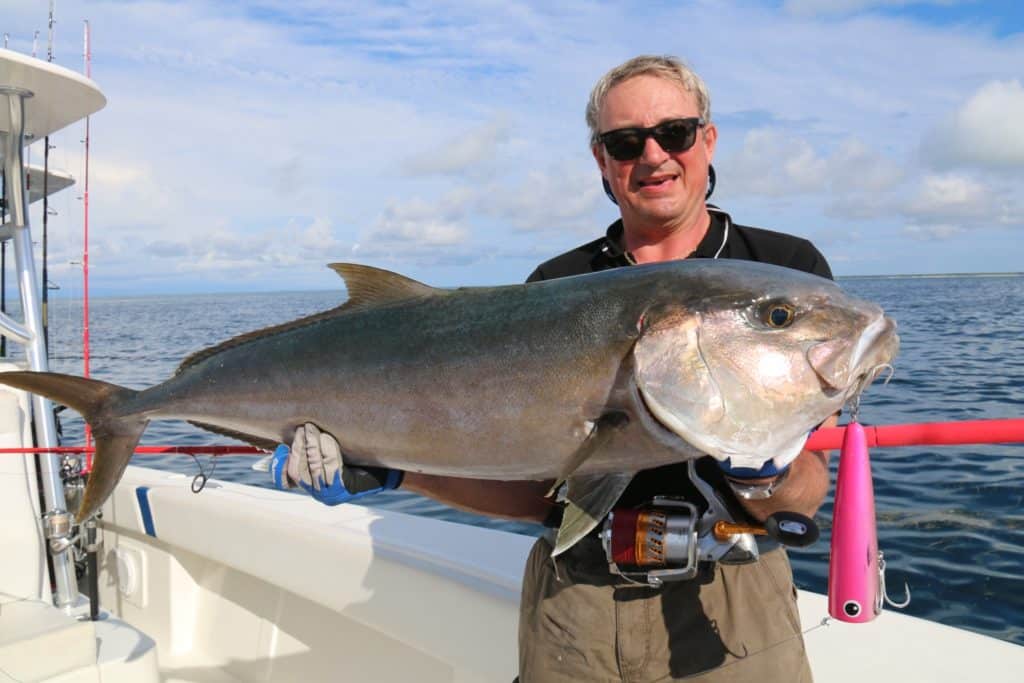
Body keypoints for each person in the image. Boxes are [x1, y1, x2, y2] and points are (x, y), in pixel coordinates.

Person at [273, 55, 836, 682]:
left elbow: (809, 488)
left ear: (707, 139)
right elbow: (536, 493)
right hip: (575, 605)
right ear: (601, 159)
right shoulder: (557, 286)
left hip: (731, 605)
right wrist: (396, 473)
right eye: (626, 142)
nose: (653, 156)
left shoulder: (783, 273)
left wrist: (763, 479)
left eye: (673, 133)